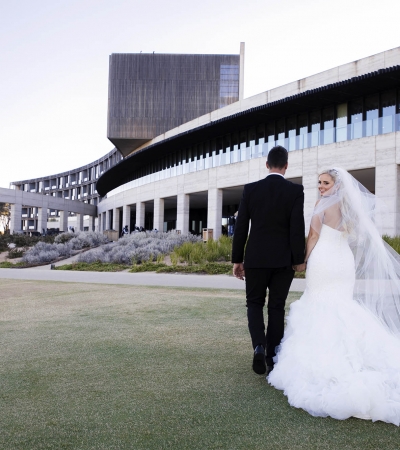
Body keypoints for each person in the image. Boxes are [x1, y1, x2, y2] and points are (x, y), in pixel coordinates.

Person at [268, 168, 400, 426]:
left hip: (325, 261)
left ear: (337, 184)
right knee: (341, 306)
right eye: (319, 183)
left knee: (320, 304)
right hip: (343, 262)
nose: (320, 187)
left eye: (325, 183)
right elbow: (355, 236)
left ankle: (328, 360)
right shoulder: (351, 208)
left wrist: (302, 261)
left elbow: (314, 235)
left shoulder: (321, 205)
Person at [232, 146, 305, 376]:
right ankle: (273, 355)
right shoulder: (295, 191)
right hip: (283, 261)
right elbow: (297, 227)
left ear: (267, 165)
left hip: (255, 259)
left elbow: (241, 226)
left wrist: (237, 259)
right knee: (276, 307)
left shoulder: (251, 190)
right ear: (286, 166)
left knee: (254, 304)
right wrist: (298, 259)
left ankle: (258, 346)